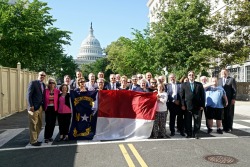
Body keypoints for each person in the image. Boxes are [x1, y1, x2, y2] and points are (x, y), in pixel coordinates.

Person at [180, 71, 205, 139]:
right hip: (187, 106)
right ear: (188, 76)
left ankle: (196, 133)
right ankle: (189, 133)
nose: (191, 76)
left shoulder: (199, 85)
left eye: (192, 75)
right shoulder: (184, 85)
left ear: (194, 76)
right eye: (189, 75)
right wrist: (182, 105)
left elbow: (202, 96)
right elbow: (181, 96)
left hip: (197, 106)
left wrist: (202, 105)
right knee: (188, 121)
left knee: (197, 121)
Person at [27, 71, 46, 146]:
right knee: (33, 124)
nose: (42, 76)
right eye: (41, 75)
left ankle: (35, 138)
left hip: (40, 107)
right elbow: (28, 95)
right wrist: (30, 105)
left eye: (44, 76)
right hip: (33, 107)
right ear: (38, 75)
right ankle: (33, 141)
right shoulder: (33, 83)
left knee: (39, 124)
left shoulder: (43, 85)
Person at [218, 69, 237, 133]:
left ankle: (229, 127)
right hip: (221, 100)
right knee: (223, 113)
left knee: (229, 114)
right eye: (222, 72)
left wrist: (233, 99)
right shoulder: (219, 80)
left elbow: (234, 90)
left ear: (227, 73)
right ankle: (224, 127)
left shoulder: (231, 79)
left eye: (225, 72)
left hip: (229, 99)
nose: (224, 73)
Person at [43, 78, 60, 143]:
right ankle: (46, 137)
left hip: (55, 108)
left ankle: (50, 136)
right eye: (50, 83)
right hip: (48, 108)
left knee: (53, 123)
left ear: (55, 84)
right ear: (48, 84)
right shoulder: (45, 91)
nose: (51, 84)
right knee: (48, 123)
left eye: (53, 83)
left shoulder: (57, 91)